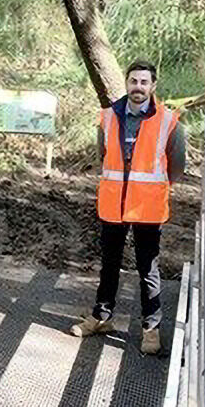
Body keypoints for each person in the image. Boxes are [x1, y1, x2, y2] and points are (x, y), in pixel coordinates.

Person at [70, 60, 186, 354]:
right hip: (114, 205)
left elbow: (177, 167)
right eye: (134, 81)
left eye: (144, 82)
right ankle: (102, 317)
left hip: (147, 207)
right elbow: (103, 156)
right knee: (109, 264)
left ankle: (151, 328)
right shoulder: (108, 117)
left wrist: (153, 188)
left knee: (148, 269)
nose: (138, 87)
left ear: (153, 86)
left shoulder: (169, 121)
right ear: (126, 83)